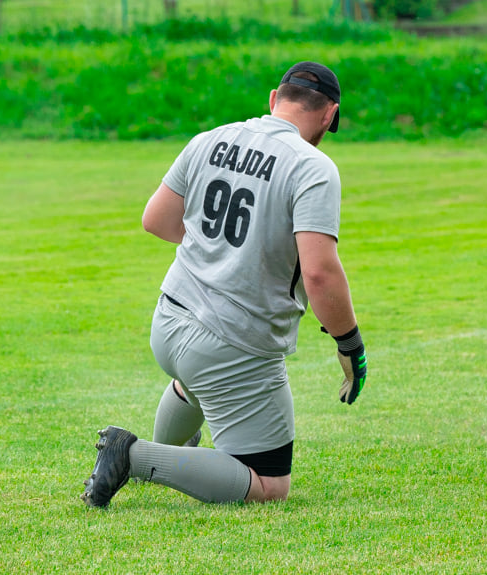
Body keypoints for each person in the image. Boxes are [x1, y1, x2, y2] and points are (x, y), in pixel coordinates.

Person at [81, 61, 368, 507]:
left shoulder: (210, 138)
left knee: (200, 381)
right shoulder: (313, 166)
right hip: (230, 343)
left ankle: (151, 459)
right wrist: (349, 344)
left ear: (274, 98)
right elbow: (318, 272)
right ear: (329, 115)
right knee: (269, 484)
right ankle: (134, 457)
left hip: (169, 319)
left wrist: (226, 254)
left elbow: (155, 220)